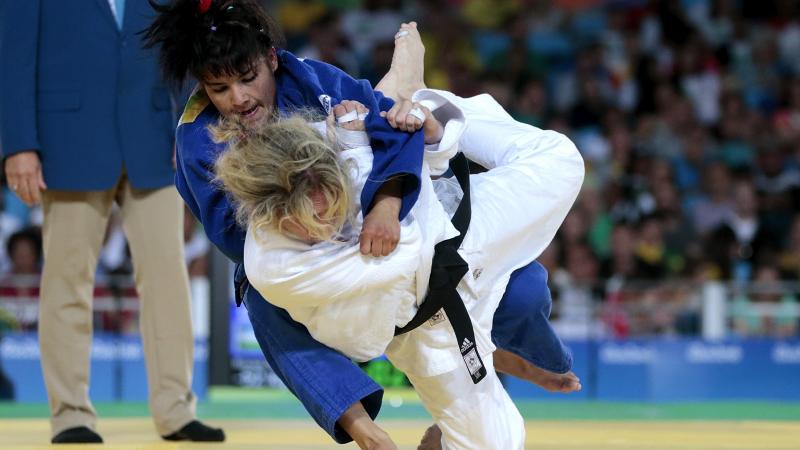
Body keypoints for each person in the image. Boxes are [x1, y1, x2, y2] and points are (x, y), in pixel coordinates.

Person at [144, 1, 579, 448]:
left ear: (271, 58)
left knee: (522, 289)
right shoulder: (199, 140)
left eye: (247, 78)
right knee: (261, 294)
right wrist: (317, 223)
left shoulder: (313, 78)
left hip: (385, 202)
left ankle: (421, 107)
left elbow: (392, 132)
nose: (238, 98)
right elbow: (235, 237)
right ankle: (361, 425)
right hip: (299, 244)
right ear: (202, 87)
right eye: (219, 88)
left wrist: (385, 206)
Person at [215, 89, 585, 449]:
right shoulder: (272, 266)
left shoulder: (325, 140)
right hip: (424, 326)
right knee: (500, 444)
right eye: (311, 223)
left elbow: (405, 140)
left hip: (459, 232)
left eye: (333, 206)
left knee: (560, 158)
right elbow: (405, 249)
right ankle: (489, 351)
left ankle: (429, 101)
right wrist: (364, 156)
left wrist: (427, 129)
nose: (326, 225)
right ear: (273, 216)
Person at [0, 0, 223, 443]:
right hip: (68, 140)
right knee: (66, 279)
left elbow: (186, 49)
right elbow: (12, 56)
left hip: (155, 138)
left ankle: (176, 411)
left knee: (168, 277)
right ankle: (70, 415)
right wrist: (19, 145)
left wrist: (189, 128)